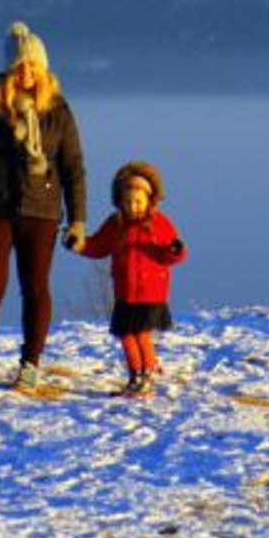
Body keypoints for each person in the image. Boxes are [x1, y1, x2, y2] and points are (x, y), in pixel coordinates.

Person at [0, 21, 87, 391]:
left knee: (36, 288)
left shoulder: (58, 110)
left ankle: (30, 363)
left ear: (44, 67)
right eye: (20, 65)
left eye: (33, 65)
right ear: (9, 68)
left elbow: (72, 167)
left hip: (42, 210)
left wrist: (78, 220)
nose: (27, 72)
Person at [79, 159, 187, 397]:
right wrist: (80, 244)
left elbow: (171, 254)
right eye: (128, 201)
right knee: (127, 335)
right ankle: (136, 374)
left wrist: (173, 251)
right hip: (125, 293)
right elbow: (99, 246)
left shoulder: (158, 224)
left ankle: (146, 374)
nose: (133, 206)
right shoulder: (115, 224)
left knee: (141, 334)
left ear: (150, 200)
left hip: (151, 293)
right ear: (120, 200)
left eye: (138, 201)